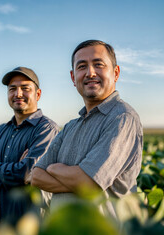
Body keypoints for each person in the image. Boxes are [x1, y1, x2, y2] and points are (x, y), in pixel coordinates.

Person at [31, 40, 143, 219]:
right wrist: (78, 180)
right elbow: (36, 176)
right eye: (82, 66)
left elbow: (88, 182)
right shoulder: (70, 127)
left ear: (115, 73)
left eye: (98, 64)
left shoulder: (122, 118)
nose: (90, 73)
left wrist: (52, 169)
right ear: (73, 78)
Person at [0, 66, 59, 225]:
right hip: (0, 226)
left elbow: (26, 172)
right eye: (12, 89)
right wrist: (16, 173)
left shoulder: (46, 129)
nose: (18, 94)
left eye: (25, 88)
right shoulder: (0, 131)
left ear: (37, 94)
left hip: (31, 229)